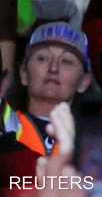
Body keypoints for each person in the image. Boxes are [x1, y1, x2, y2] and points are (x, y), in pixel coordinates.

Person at [0, 23, 93, 164]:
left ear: (84, 82)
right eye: (42, 58)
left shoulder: (94, 140)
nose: (53, 68)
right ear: (24, 73)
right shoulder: (4, 122)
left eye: (66, 61)